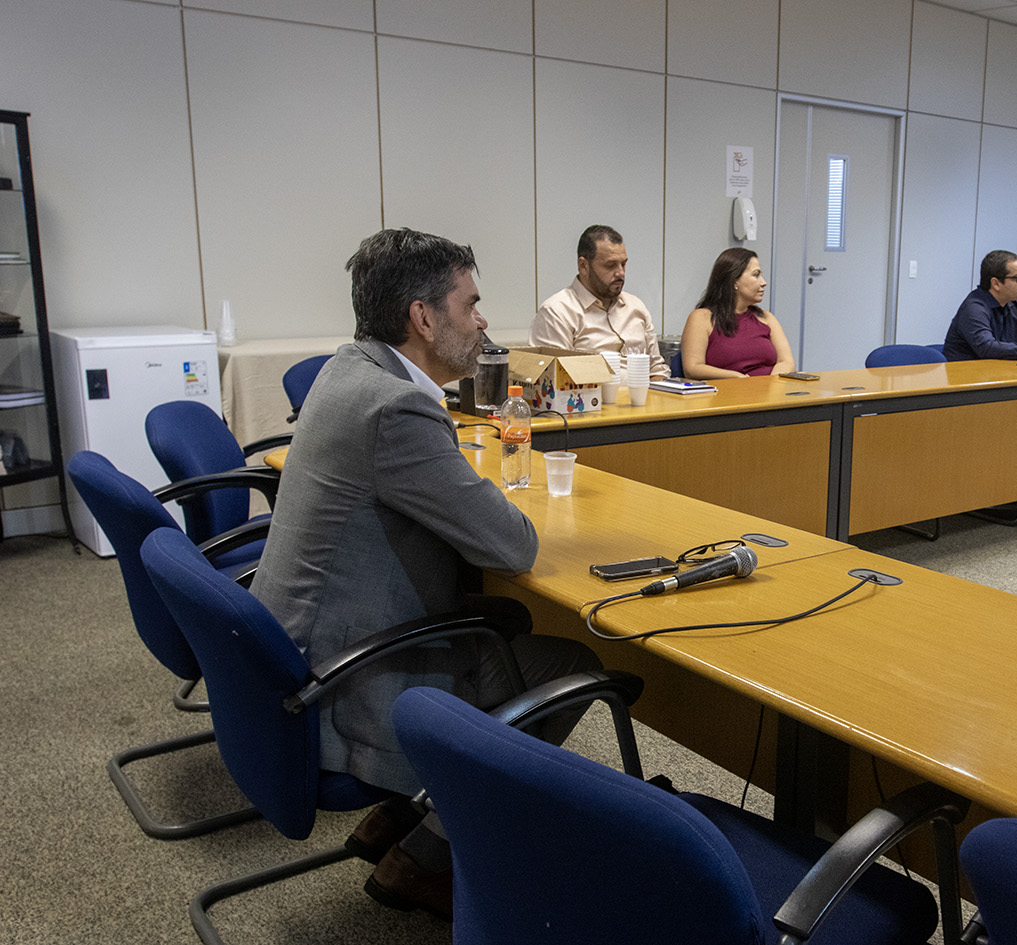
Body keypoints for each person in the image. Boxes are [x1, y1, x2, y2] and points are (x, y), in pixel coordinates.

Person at [251, 228, 600, 919]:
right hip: (345, 685)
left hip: (297, 654)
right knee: (569, 663)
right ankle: (426, 853)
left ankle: (403, 817)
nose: (482, 321)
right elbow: (513, 543)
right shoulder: (397, 408)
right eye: (470, 304)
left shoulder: (348, 369)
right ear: (421, 317)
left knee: (501, 626)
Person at [531, 224, 669, 378]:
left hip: (644, 399)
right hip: (590, 401)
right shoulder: (557, 312)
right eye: (610, 265)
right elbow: (555, 380)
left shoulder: (635, 306)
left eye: (623, 264)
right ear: (584, 266)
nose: (620, 273)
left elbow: (657, 369)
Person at [681, 248, 795, 378]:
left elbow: (786, 361)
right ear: (734, 280)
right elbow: (692, 368)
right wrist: (736, 377)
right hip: (727, 393)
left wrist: (771, 383)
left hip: (771, 393)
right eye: (756, 275)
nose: (764, 283)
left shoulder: (767, 318)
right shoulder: (702, 318)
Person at [943, 250, 1017, 362]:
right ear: (996, 284)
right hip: (966, 377)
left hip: (1000, 374)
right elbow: (987, 348)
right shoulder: (974, 308)